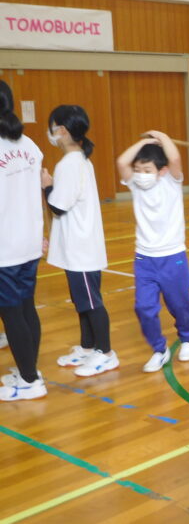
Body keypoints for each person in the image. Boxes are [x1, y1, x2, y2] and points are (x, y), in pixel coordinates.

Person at [43, 105, 118, 377]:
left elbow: (58, 206)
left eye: (52, 126)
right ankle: (88, 347)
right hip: (75, 246)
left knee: (91, 301)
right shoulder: (78, 160)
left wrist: (46, 185)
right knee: (81, 300)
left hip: (81, 248)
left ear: (61, 130)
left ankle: (106, 353)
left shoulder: (70, 164)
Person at [116, 131, 189, 373]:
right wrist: (143, 143)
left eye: (147, 170)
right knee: (144, 307)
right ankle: (159, 350)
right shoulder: (135, 185)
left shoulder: (171, 182)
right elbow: (121, 162)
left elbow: (174, 158)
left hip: (173, 257)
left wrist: (161, 137)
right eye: (138, 169)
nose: (141, 175)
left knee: (179, 304)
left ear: (161, 171)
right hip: (144, 258)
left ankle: (187, 339)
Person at [0, 80, 46, 401]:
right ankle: (30, 369)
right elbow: (38, 193)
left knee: (12, 312)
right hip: (28, 240)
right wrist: (42, 233)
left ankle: (30, 380)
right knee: (26, 306)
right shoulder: (29, 145)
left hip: (5, 246)